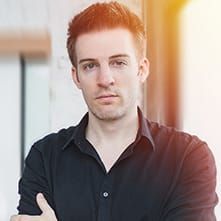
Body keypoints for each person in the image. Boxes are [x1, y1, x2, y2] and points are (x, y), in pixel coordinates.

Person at [11, 1, 218, 221]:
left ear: (142, 69)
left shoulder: (188, 158)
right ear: (76, 76)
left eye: (118, 62)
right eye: (90, 66)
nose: (105, 79)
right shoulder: (44, 157)